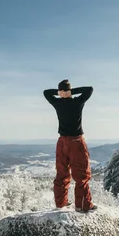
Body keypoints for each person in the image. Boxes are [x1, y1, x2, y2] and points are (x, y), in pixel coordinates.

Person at [43, 79, 97, 212]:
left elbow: (46, 93)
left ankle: (61, 203)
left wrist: (60, 93)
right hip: (76, 142)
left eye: (63, 91)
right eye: (60, 91)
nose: (61, 93)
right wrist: (70, 92)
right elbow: (89, 89)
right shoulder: (77, 102)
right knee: (82, 174)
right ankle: (83, 205)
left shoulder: (57, 102)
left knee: (62, 173)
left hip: (61, 143)